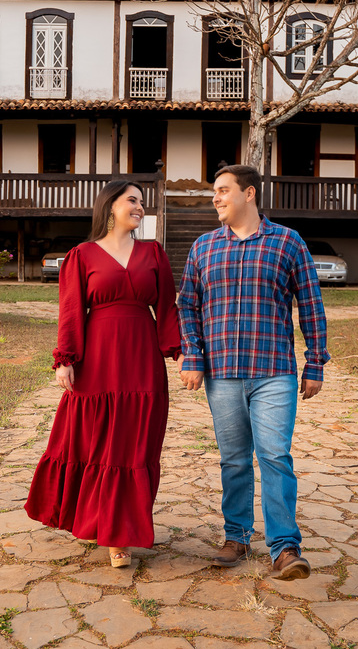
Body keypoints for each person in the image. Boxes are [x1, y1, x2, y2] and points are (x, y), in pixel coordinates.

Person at [177, 164, 329, 581]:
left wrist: (315, 362)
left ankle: (285, 548)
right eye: (214, 192)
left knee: (275, 456)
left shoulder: (288, 242)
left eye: (223, 190)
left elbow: (311, 305)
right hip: (222, 372)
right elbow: (187, 305)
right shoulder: (204, 247)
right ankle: (237, 537)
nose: (216, 198)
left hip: (273, 372)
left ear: (249, 194)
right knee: (234, 460)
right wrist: (193, 356)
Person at [25, 180, 181, 568]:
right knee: (92, 441)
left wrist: (179, 351)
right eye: (132, 200)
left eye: (142, 202)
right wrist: (65, 358)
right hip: (97, 359)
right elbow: (71, 310)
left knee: (133, 444)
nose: (140, 207)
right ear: (110, 206)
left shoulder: (154, 253)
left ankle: (119, 535)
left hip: (141, 360)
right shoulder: (81, 255)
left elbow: (167, 308)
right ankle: (96, 518)